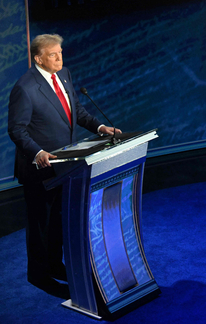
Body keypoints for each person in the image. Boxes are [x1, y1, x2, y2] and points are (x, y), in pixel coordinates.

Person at [7, 34, 121, 297]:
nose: (59, 58)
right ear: (38, 58)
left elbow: (76, 111)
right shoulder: (25, 88)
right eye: (53, 55)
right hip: (41, 168)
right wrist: (38, 152)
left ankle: (55, 265)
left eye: (60, 53)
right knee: (41, 224)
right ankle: (38, 275)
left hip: (68, 166)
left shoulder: (65, 74)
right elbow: (17, 129)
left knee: (59, 221)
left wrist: (100, 127)